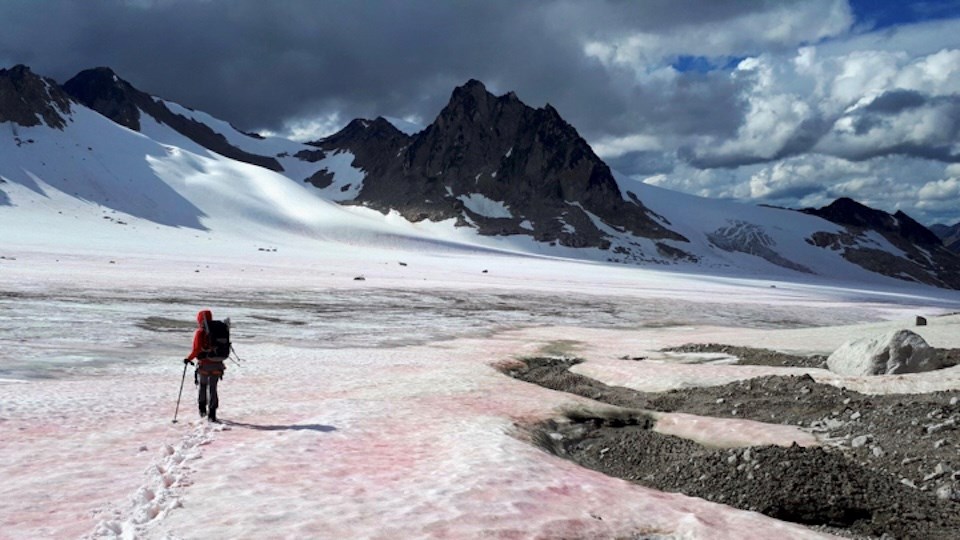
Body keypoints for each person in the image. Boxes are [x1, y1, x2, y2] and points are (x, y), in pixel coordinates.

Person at [183, 309, 226, 423]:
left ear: (200, 319)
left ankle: (202, 411)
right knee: (213, 388)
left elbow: (196, 349)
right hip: (218, 364)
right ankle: (212, 414)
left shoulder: (200, 332)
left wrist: (188, 359)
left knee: (203, 386)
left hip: (205, 365)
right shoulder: (219, 330)